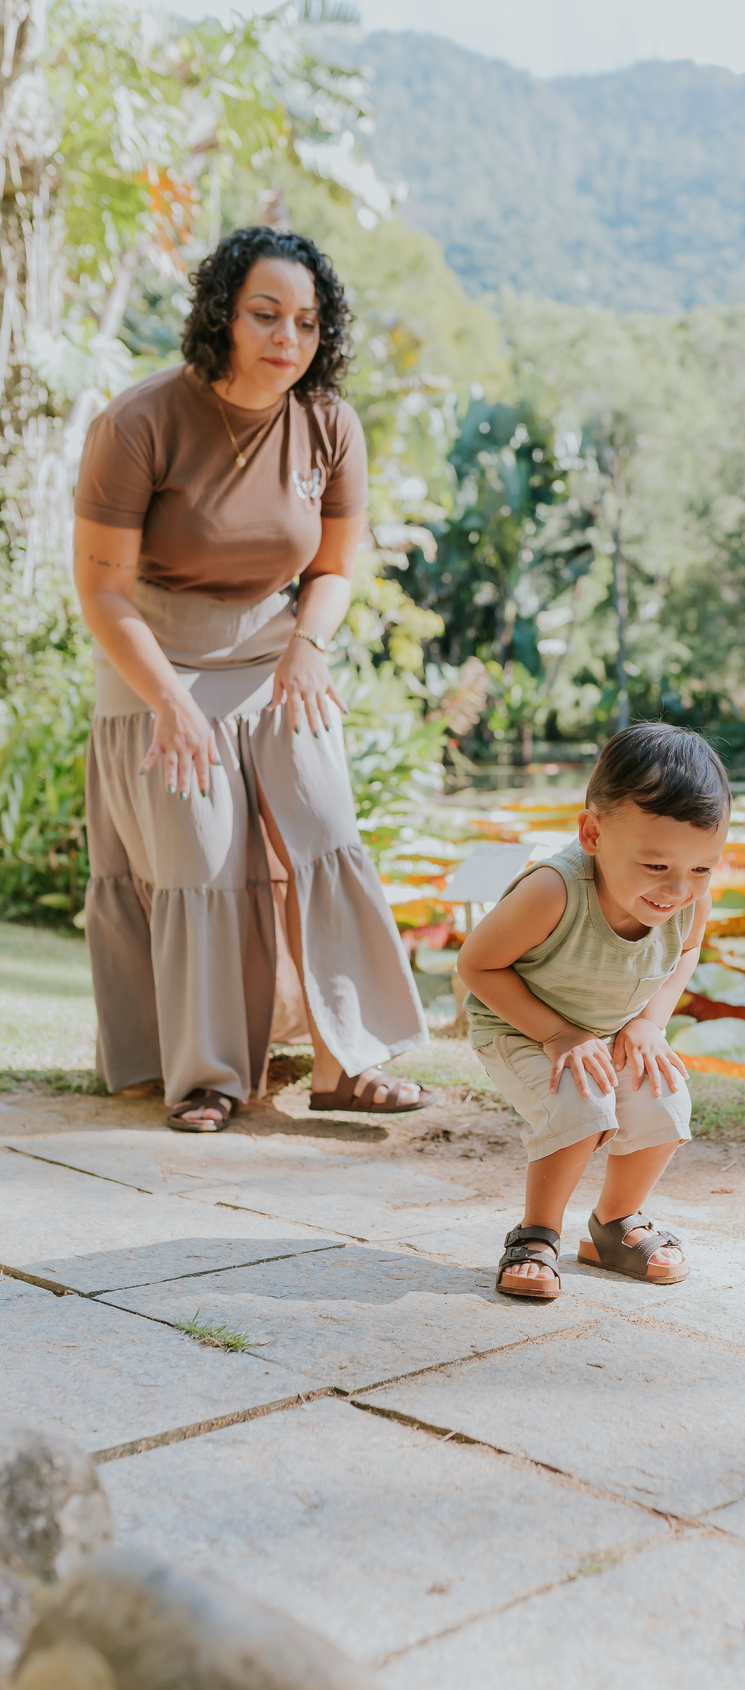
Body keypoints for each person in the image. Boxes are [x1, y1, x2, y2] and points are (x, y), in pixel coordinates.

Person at [73, 225, 434, 1132]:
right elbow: (103, 591)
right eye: (267, 314)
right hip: (152, 653)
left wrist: (309, 643)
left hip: (276, 650)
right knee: (197, 851)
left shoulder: (329, 423)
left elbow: (336, 569)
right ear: (222, 317)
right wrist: (171, 704)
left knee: (323, 826)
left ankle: (349, 1062)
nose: (288, 338)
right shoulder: (138, 421)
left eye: (307, 321)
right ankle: (207, 1078)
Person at [456, 722, 731, 1299]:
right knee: (582, 1098)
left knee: (664, 1092)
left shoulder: (690, 898)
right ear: (592, 834)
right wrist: (558, 1035)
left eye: (701, 868)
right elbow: (477, 967)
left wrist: (649, 1021)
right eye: (656, 867)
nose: (679, 888)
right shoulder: (554, 891)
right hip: (521, 1026)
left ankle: (614, 1226)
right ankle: (536, 1234)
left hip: (605, 1029)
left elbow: (686, 951)